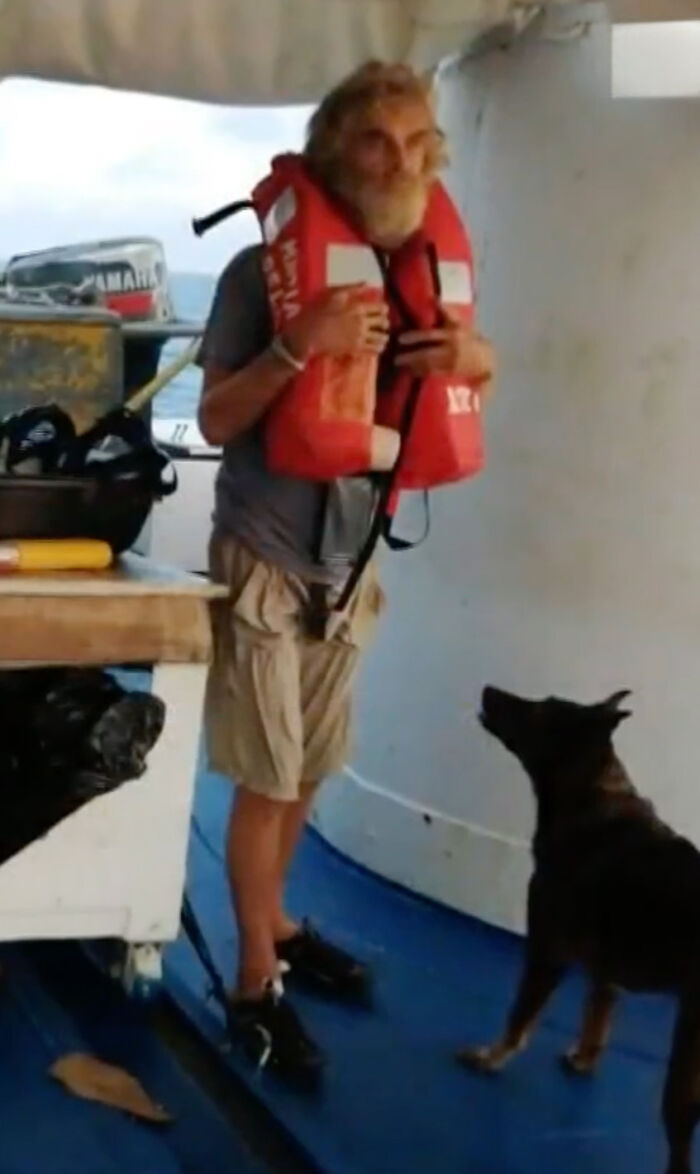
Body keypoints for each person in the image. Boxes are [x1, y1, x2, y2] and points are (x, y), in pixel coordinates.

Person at [197, 59, 496, 1085]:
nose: (399, 162)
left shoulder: (426, 279)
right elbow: (214, 419)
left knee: (313, 763)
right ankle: (253, 981)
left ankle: (278, 921)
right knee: (266, 773)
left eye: (418, 144)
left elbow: (476, 376)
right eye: (376, 141)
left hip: (352, 560)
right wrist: (298, 345)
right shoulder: (258, 276)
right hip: (266, 556)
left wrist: (475, 361)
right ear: (334, 155)